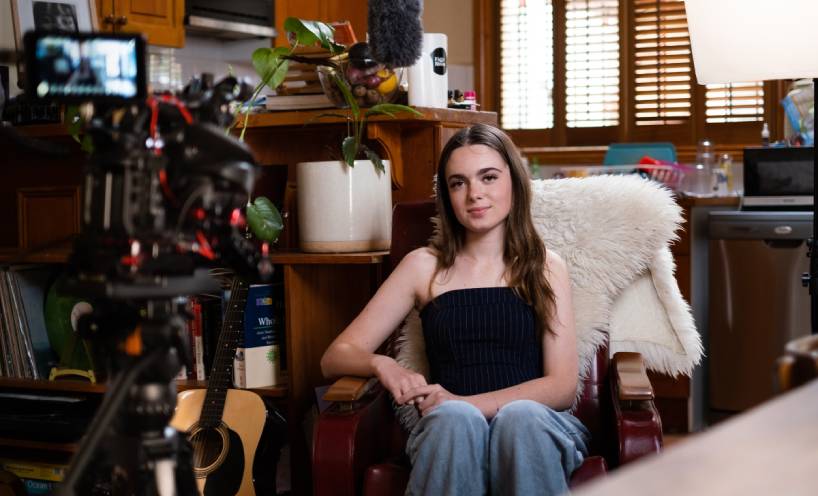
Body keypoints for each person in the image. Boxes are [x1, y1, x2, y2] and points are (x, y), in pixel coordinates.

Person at [320, 123, 589, 496]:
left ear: (514, 181)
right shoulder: (423, 266)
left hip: (537, 426)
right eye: (458, 183)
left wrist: (469, 403)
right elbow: (335, 356)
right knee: (455, 421)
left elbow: (561, 386)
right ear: (447, 196)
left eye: (489, 177)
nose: (474, 194)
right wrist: (385, 365)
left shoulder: (545, 265)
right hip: (449, 428)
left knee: (519, 419)